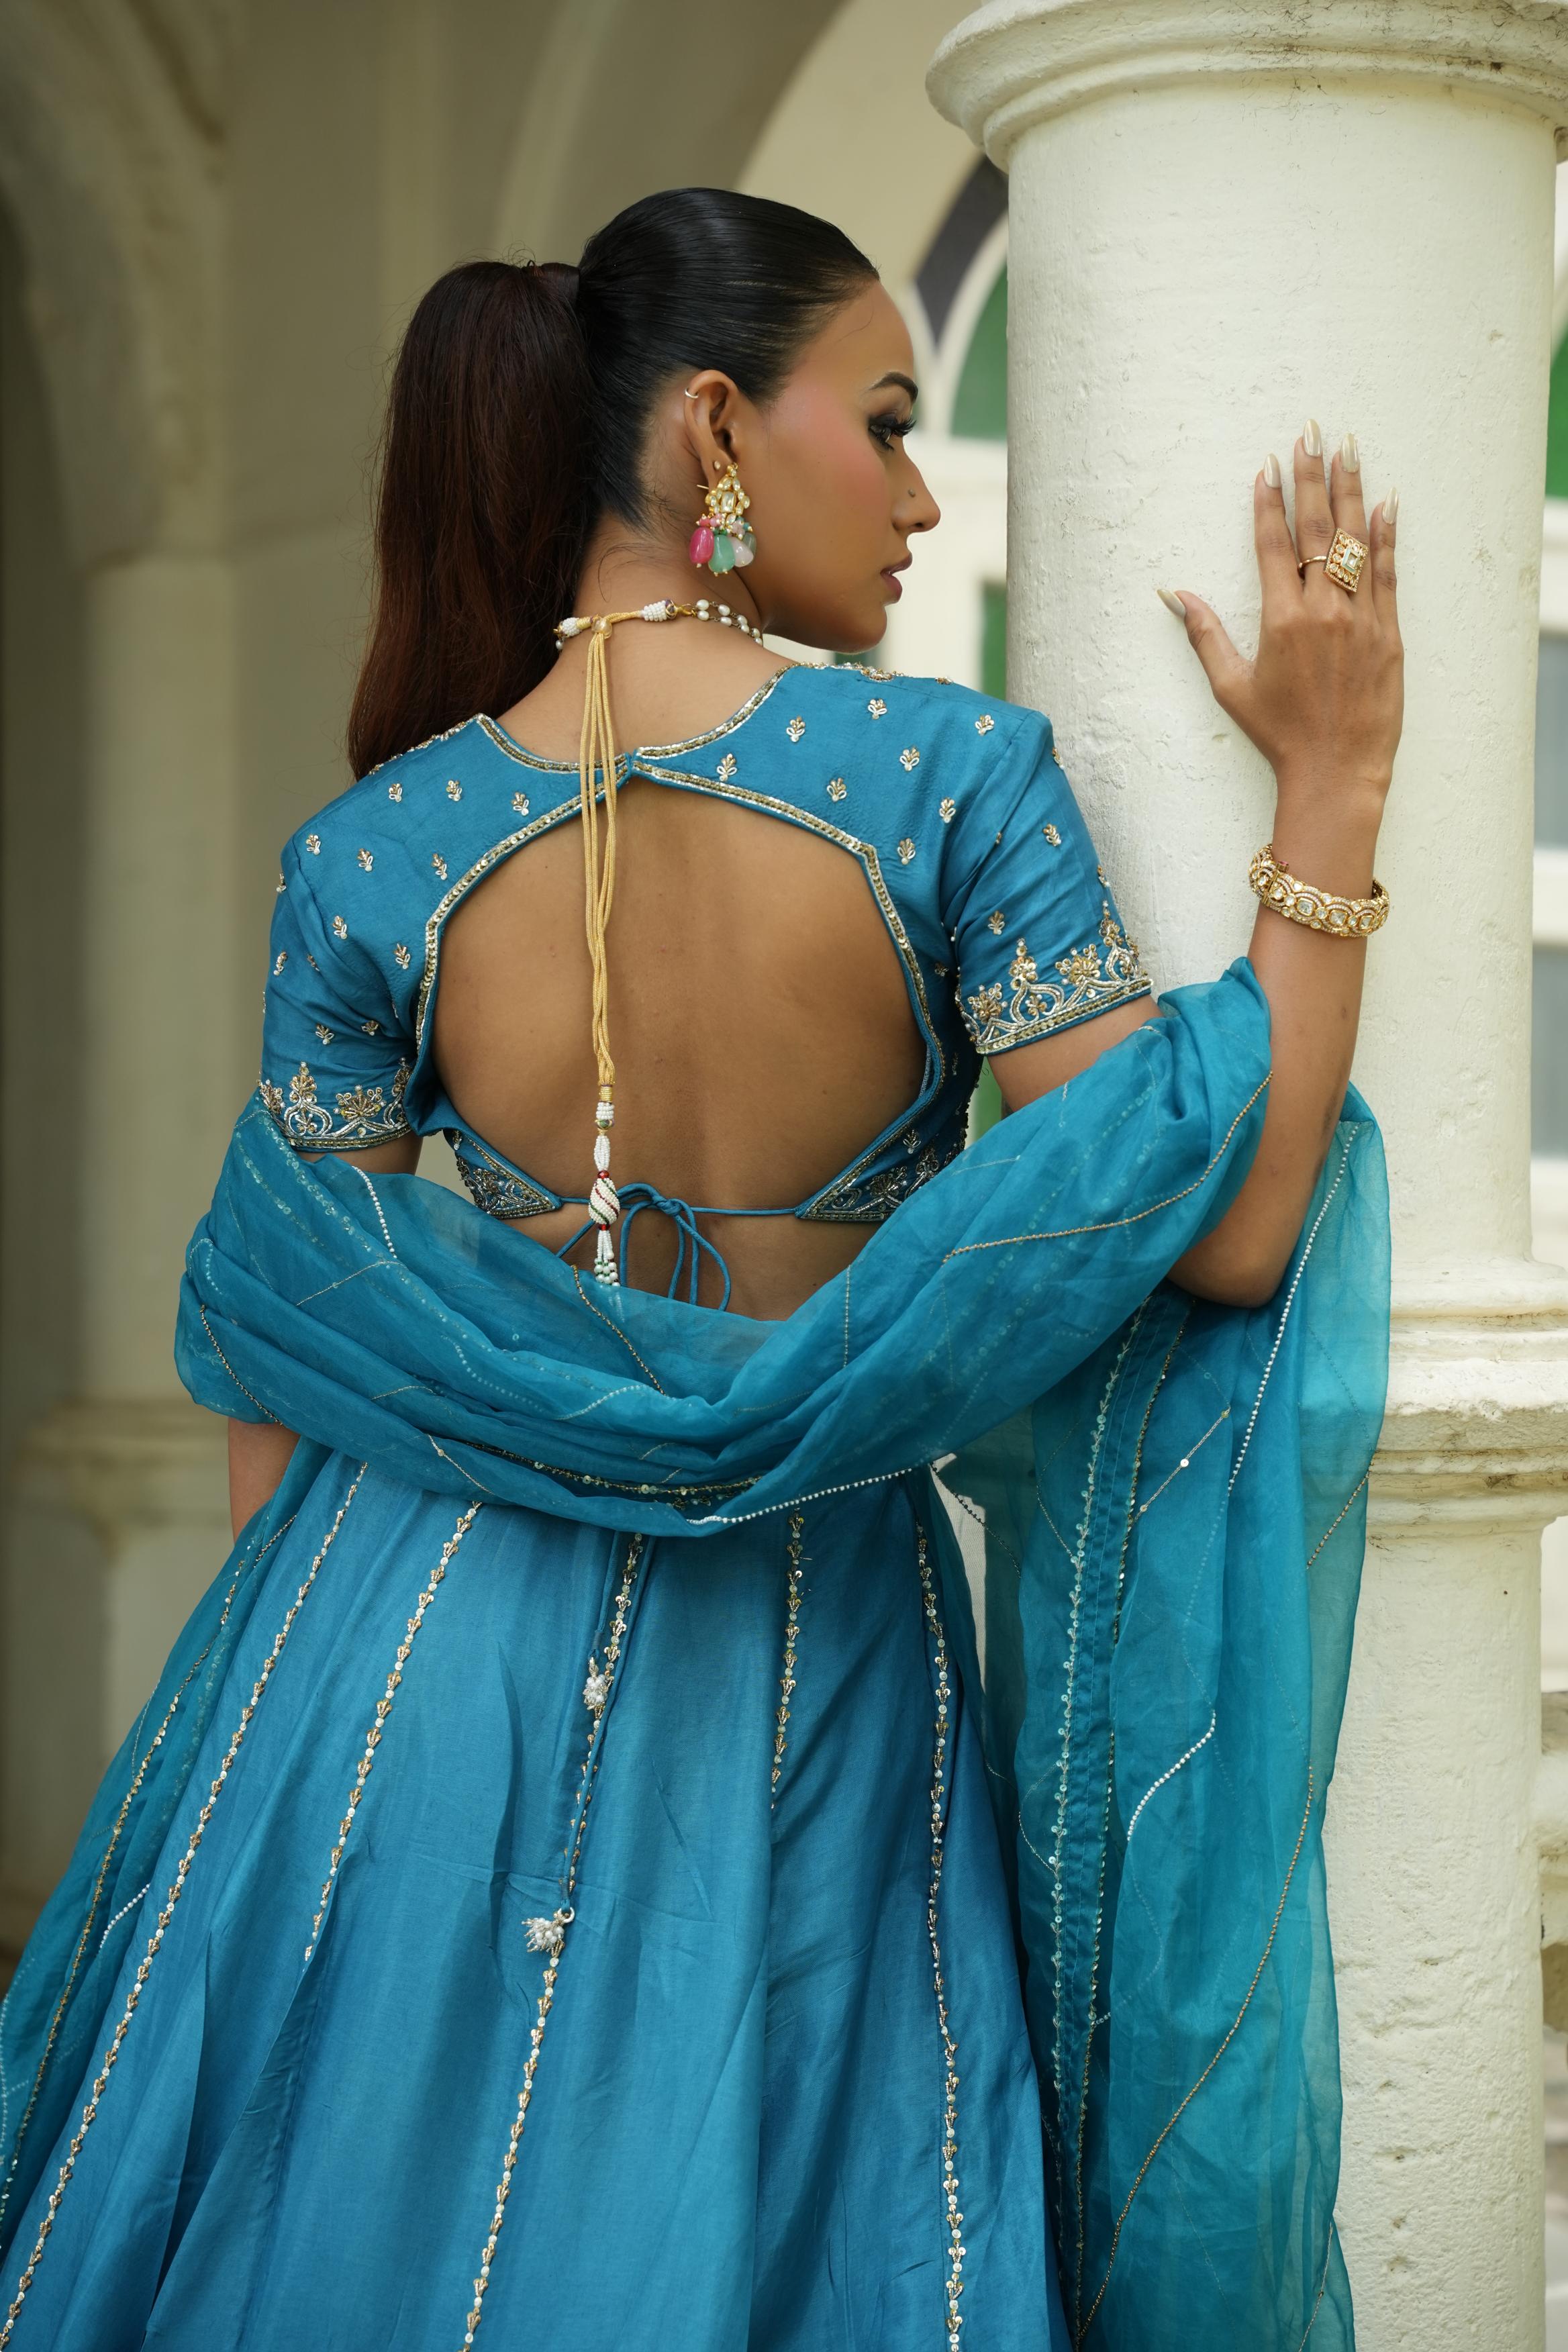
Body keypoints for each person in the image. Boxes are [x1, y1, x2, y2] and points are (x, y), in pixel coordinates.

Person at [0, 189, 1398, 2350]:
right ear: (723, 434)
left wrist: (333, 1743)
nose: (926, 493)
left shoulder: (372, 849)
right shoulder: (945, 780)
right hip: (804, 1653)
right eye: (895, 416)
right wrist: (1333, 796)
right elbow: (1232, 1227)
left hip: (389, 1662)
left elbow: (279, 1414)